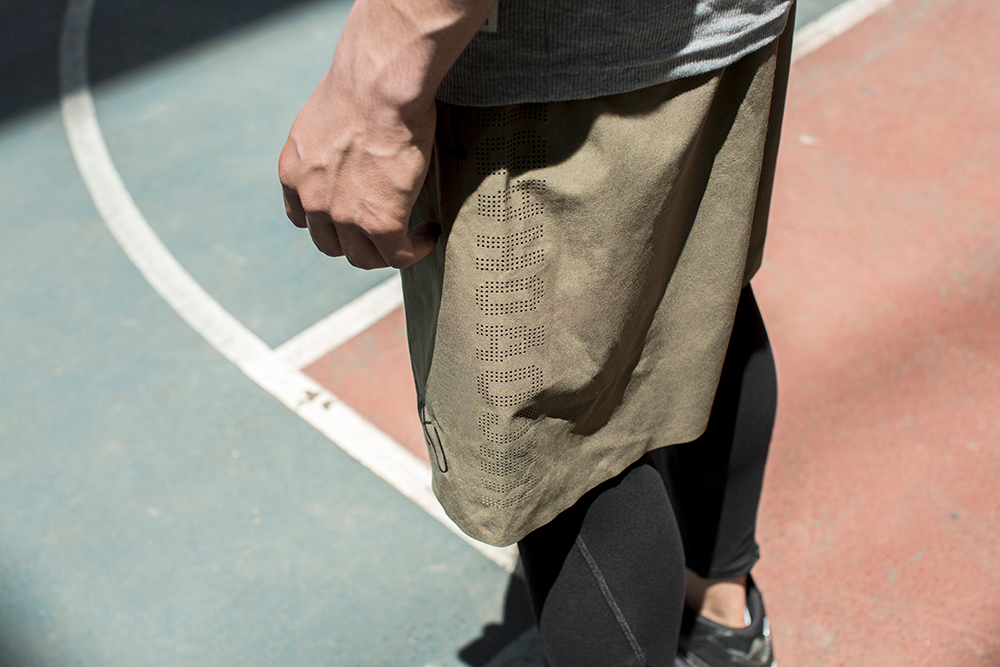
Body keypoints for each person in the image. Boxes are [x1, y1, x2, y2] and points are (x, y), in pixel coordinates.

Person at [279, 0, 793, 664]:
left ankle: (720, 628)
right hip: (730, 22)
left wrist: (369, 86)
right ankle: (727, 622)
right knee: (699, 294)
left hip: (550, 61)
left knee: (557, 444)